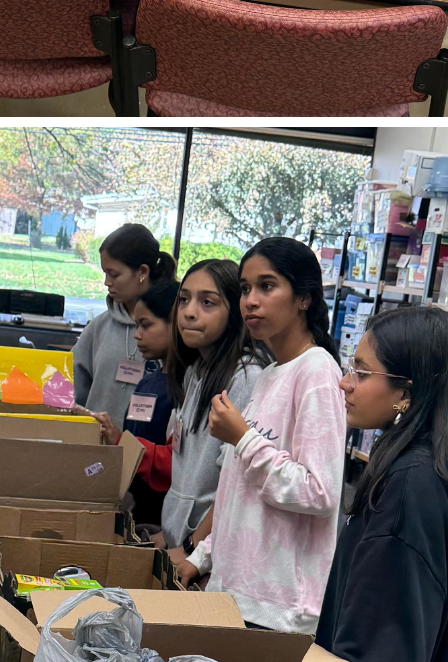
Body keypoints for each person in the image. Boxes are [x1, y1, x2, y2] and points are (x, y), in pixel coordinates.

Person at [176, 237, 346, 634]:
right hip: (236, 595)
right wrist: (202, 556)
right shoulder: (270, 375)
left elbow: (319, 492)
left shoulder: (317, 373)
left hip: (279, 608)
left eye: (267, 287)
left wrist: (244, 439)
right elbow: (240, 496)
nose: (251, 300)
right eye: (245, 289)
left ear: (303, 298)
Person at [317, 307, 448, 662]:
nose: (345, 382)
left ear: (406, 392)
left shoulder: (408, 487)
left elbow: (380, 647)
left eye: (362, 371)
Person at [162, 258, 268, 559]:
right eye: (183, 300)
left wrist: (191, 547)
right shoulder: (195, 369)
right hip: (180, 539)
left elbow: (234, 482)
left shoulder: (246, 377)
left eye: (207, 302)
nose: (189, 312)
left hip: (206, 552)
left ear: (235, 311)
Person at [76, 224, 177, 430]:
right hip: (96, 451)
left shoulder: (174, 329)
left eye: (114, 274)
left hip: (149, 455)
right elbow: (70, 388)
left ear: (142, 272)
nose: (106, 282)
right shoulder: (99, 327)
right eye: (105, 273)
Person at [96, 285, 178, 531]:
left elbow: (175, 462)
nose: (137, 335)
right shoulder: (148, 379)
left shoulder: (184, 389)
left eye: (146, 325)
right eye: (136, 326)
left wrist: (122, 441)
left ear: (175, 323)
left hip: (162, 513)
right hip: (137, 505)